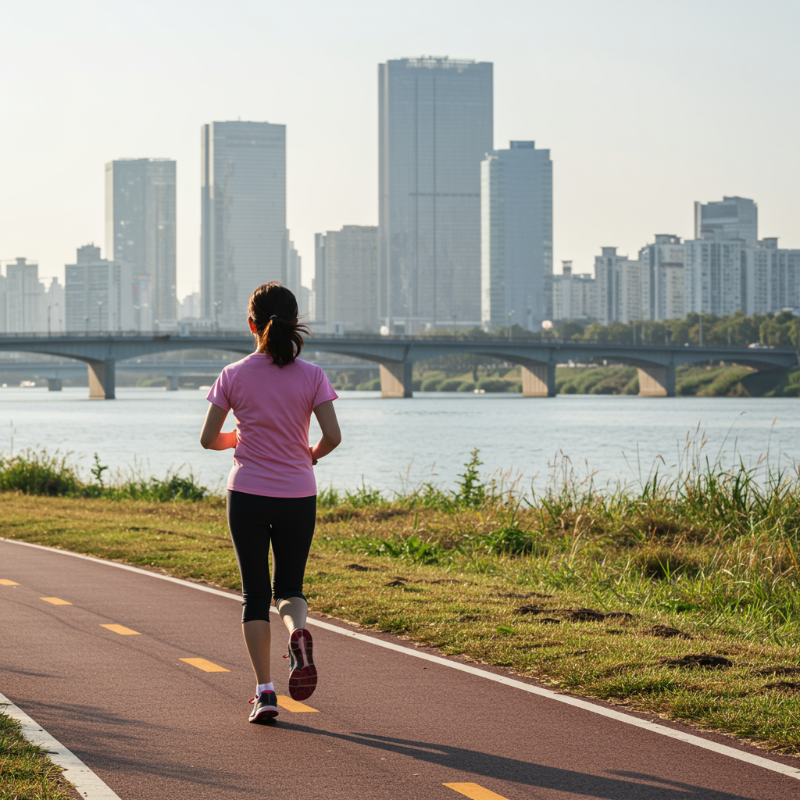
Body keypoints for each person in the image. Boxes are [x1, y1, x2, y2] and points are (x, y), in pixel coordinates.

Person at [200, 282, 341, 723]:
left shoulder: (233, 374)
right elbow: (333, 437)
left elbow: (208, 440)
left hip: (247, 494)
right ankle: (297, 631)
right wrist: (310, 455)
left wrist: (239, 437)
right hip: (298, 493)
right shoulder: (313, 375)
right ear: (295, 322)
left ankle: (265, 692)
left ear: (251, 324)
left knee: (254, 595)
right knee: (290, 589)